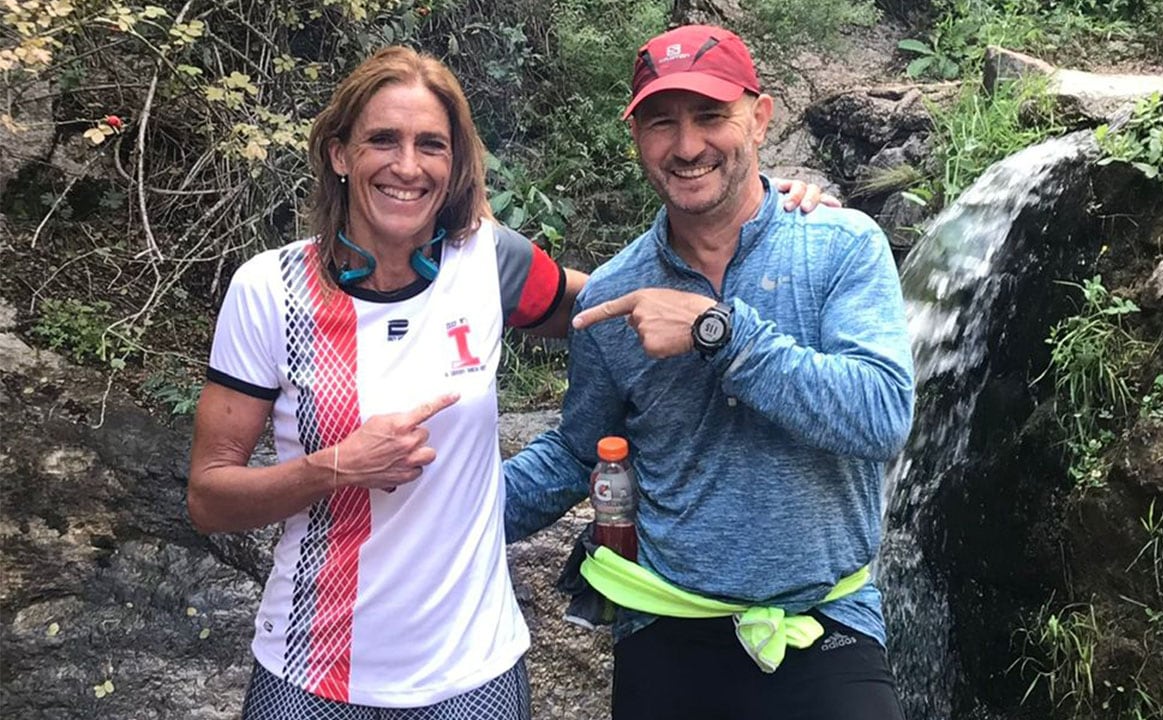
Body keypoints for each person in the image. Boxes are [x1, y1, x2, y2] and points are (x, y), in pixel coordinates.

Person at [187, 45, 833, 719]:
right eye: (383, 140)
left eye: (430, 145)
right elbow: (209, 498)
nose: (407, 166)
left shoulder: (489, 262)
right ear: (340, 154)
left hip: (475, 668)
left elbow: (628, 307)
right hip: (309, 667)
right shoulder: (270, 290)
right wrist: (335, 467)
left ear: (454, 163)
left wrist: (766, 211)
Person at [504, 24, 915, 720]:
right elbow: (577, 453)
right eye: (662, 123)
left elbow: (880, 416)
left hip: (825, 623)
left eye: (711, 116)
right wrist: (439, 511)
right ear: (636, 136)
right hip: (667, 622)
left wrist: (714, 330)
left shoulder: (842, 246)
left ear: (760, 116)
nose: (687, 146)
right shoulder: (613, 290)